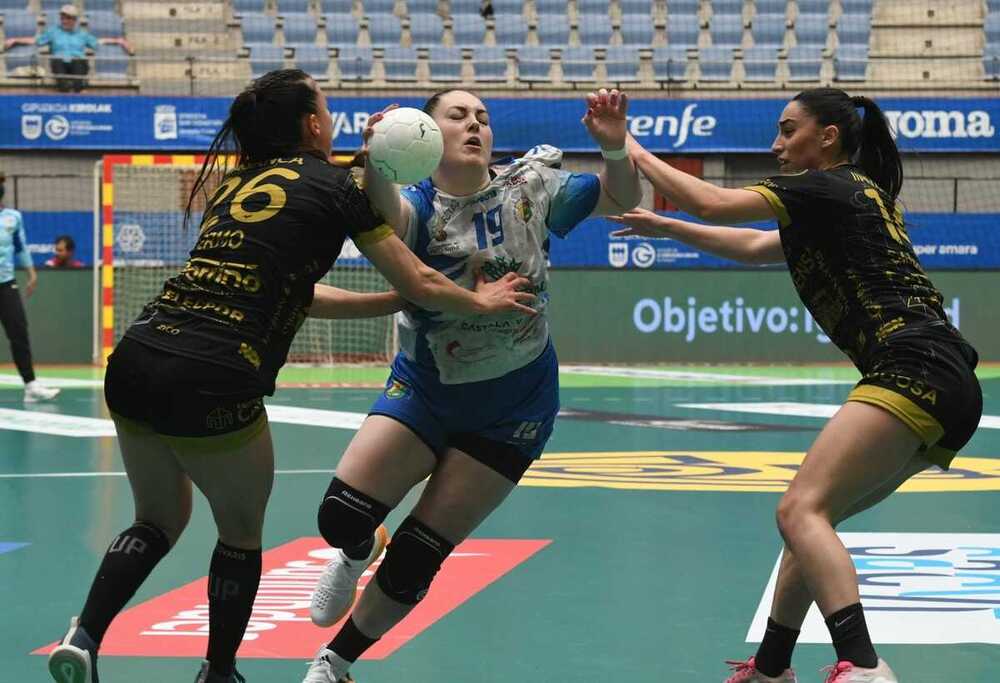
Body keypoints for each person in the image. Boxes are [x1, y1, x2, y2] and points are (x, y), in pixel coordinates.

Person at [46, 69, 535, 683]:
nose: (330, 118)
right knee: (241, 534)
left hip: (138, 358)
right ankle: (219, 673)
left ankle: (85, 636)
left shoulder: (235, 184)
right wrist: (480, 302)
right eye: (325, 109)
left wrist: (386, 303)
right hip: (215, 376)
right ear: (311, 125)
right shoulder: (337, 187)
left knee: (156, 520)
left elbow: (291, 291)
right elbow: (419, 279)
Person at [610, 87, 982, 683]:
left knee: (799, 509)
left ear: (827, 137)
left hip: (913, 365)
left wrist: (628, 147)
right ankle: (772, 669)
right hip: (948, 377)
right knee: (814, 525)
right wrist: (664, 227)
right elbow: (756, 246)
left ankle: (861, 664)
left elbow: (711, 203)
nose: (776, 144)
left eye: (788, 131)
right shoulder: (847, 197)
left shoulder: (826, 185)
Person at [301, 88, 642, 683]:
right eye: (457, 116)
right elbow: (385, 218)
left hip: (514, 406)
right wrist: (377, 159)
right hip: (427, 388)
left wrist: (614, 146)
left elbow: (623, 197)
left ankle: (334, 662)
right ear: (427, 135)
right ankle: (357, 549)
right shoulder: (418, 204)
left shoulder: (530, 188)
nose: (474, 124)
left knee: (418, 556)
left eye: (482, 117)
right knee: (339, 515)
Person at [0, 173, 60, 403]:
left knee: (18, 332)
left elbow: (21, 247)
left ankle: (30, 386)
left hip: (6, 284)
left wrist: (31, 273)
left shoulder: (13, 218)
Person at [3, 4, 132, 93]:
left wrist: (118, 40)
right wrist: (15, 40)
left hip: (77, 61)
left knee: (79, 68)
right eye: (63, 17)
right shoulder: (53, 31)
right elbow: (36, 40)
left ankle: (79, 92)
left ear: (74, 20)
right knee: (60, 70)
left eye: (68, 18)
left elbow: (98, 42)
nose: (65, 20)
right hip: (59, 61)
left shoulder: (82, 34)